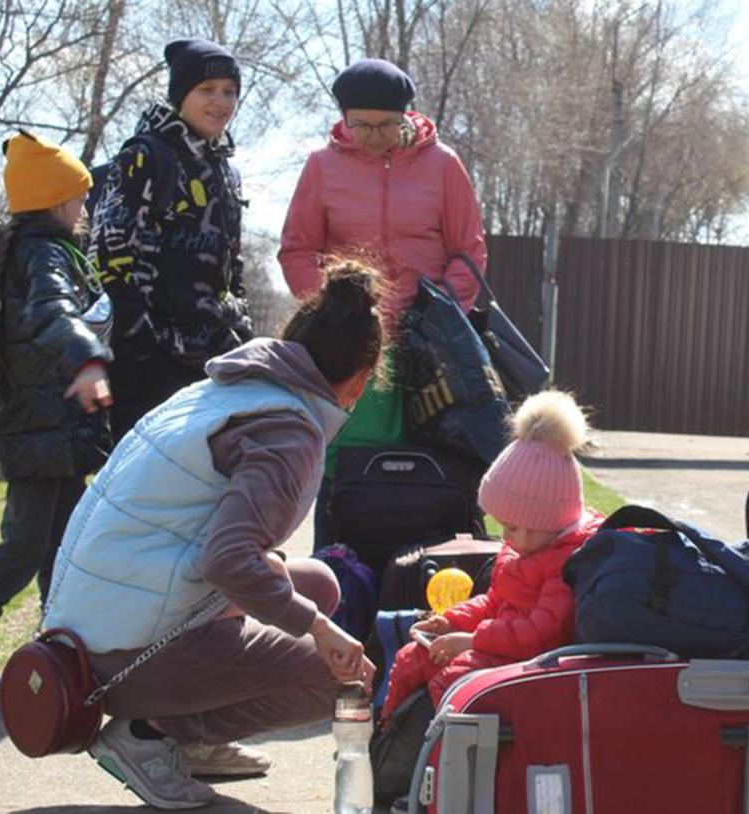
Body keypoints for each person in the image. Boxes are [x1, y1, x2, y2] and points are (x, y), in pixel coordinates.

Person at [43, 260, 382, 809]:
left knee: (317, 582)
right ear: (361, 379)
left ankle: (185, 734)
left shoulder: (227, 390)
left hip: (87, 625)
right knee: (345, 682)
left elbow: (207, 537)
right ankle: (150, 737)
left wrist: (296, 601)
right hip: (117, 655)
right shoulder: (289, 432)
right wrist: (319, 630)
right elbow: (226, 560)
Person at [278, 57, 487, 549]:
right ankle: (338, 572)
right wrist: (332, 309)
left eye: (386, 125)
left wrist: (439, 310)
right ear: (343, 119)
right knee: (346, 468)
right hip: (353, 344)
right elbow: (298, 250)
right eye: (361, 125)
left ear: (406, 118)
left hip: (431, 346)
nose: (373, 135)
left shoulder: (443, 165)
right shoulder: (321, 166)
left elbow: (469, 250)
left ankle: (424, 578)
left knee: (431, 464)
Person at [0, 131, 112, 700]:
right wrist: (86, 358)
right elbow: (52, 311)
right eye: (79, 197)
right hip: (41, 430)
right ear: (59, 202)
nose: (84, 208)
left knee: (61, 545)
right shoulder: (45, 254)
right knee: (25, 545)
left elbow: (22, 331)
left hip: (50, 428)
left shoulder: (31, 250)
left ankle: (59, 648)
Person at [380, 390, 605, 722]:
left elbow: (540, 635)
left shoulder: (565, 565)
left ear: (543, 520)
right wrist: (452, 620)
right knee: (411, 658)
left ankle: (451, 767)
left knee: (452, 681)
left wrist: (472, 640)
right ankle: (388, 743)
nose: (505, 536)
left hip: (526, 663)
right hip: (497, 647)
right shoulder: (522, 549)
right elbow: (494, 600)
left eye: (512, 526)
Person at [88, 37, 253, 443]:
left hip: (212, 354)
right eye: (207, 90)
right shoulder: (147, 155)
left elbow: (231, 263)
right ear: (181, 94)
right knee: (146, 490)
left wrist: (240, 325)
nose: (220, 102)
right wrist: (138, 337)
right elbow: (110, 250)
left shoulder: (225, 171)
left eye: (229, 92)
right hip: (151, 359)